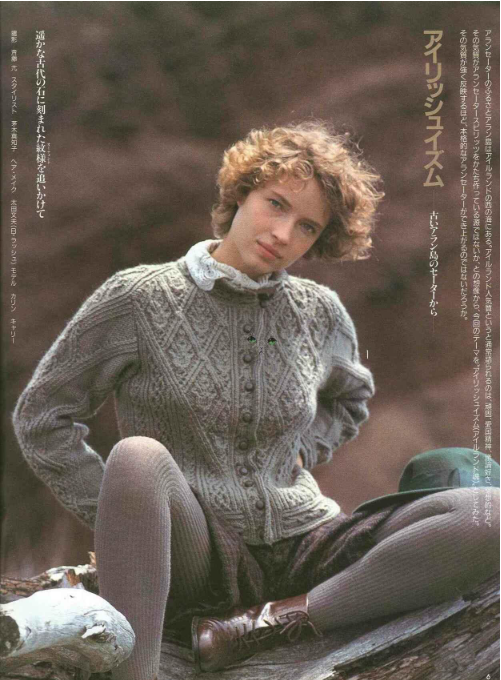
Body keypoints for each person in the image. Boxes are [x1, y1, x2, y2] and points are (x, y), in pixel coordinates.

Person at [12, 122, 500, 680]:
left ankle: (270, 622)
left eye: (307, 226)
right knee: (137, 456)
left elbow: (350, 397)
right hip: (199, 551)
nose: (283, 233)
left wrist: (307, 449)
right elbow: (43, 418)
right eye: (276, 204)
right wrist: (125, 523)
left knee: (489, 513)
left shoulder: (319, 311)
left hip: (306, 542)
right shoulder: (137, 298)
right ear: (242, 192)